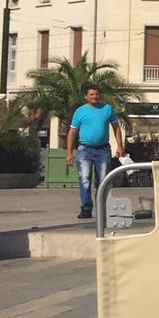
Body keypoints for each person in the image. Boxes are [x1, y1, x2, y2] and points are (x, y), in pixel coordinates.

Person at [66, 83, 123, 219]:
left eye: (97, 94)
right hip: (85, 150)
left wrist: (120, 146)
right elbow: (72, 132)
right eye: (91, 94)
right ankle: (86, 208)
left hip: (103, 150)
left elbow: (116, 127)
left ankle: (103, 208)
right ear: (86, 96)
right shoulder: (80, 111)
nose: (95, 96)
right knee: (85, 180)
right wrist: (69, 153)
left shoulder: (107, 109)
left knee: (104, 180)